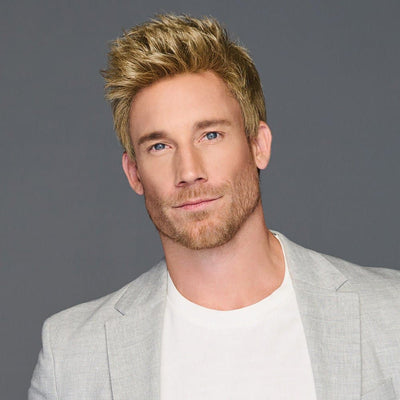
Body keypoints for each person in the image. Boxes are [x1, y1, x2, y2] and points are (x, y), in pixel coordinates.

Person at [28, 14, 400, 400]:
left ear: (258, 145)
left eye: (210, 135)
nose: (189, 171)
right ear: (134, 173)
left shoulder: (391, 315)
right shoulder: (70, 356)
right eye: (160, 146)